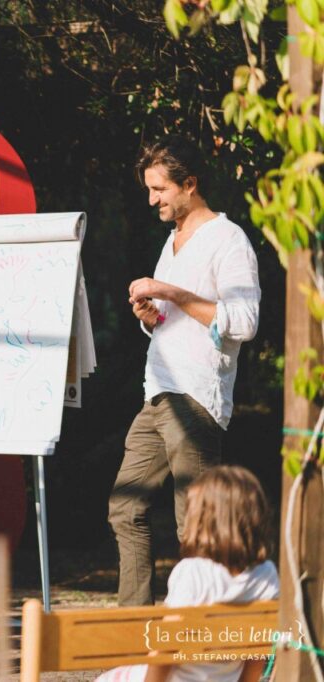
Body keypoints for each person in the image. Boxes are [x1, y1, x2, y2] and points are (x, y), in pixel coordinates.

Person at [109, 135, 261, 606]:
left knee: (194, 524)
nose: (152, 199)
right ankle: (133, 625)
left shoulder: (228, 240)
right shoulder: (171, 242)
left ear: (189, 184)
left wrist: (171, 292)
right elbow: (173, 324)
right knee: (125, 508)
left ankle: (200, 628)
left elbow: (244, 322)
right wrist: (152, 316)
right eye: (149, 189)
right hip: (157, 392)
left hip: (195, 399)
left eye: (160, 189)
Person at [97, 465, 279, 682]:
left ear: (200, 519)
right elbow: (259, 652)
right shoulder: (266, 574)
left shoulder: (194, 573)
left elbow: (167, 646)